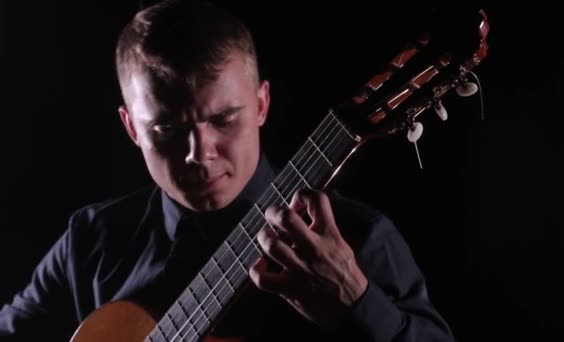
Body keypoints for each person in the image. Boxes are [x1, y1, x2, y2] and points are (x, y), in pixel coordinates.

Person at [0, 0, 455, 341]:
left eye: (224, 119)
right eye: (168, 128)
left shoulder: (356, 239)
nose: (201, 153)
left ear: (261, 104)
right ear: (131, 127)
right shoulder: (93, 240)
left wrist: (357, 301)